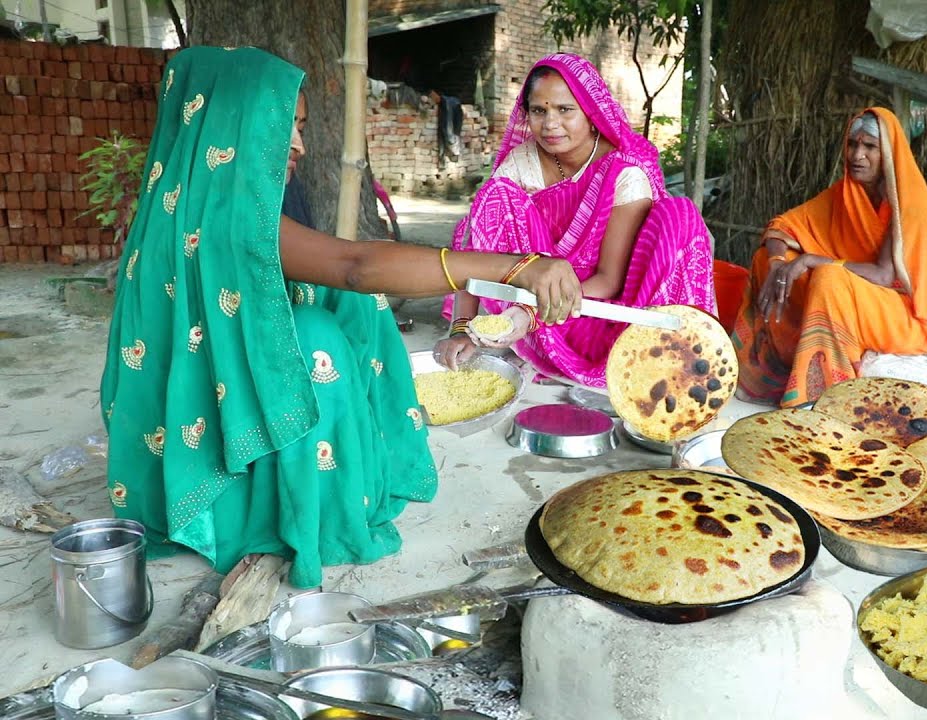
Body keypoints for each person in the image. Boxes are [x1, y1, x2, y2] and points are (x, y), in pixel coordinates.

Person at [100, 46, 582, 589]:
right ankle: (305, 508)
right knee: (317, 336)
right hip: (203, 453)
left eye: (301, 126)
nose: (300, 146)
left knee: (344, 304)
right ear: (233, 124)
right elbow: (355, 266)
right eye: (286, 126)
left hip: (204, 410)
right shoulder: (223, 215)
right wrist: (517, 266)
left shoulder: (191, 199)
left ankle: (324, 462)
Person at [434, 53, 716, 388]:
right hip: (531, 297)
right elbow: (475, 251)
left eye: (565, 110)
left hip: (593, 310)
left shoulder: (623, 173)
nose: (550, 123)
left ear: (591, 113)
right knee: (490, 200)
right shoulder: (522, 162)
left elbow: (610, 281)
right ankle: (526, 337)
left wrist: (532, 314)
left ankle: (669, 352)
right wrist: (462, 327)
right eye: (539, 110)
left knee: (679, 216)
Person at [732, 108, 927, 407]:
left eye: (870, 147)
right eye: (852, 144)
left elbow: (885, 276)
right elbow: (782, 227)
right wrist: (777, 263)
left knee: (829, 277)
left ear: (888, 153)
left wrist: (811, 261)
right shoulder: (847, 194)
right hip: (858, 296)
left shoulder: (908, 205)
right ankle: (773, 370)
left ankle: (821, 392)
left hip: (905, 313)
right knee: (766, 261)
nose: (857, 155)